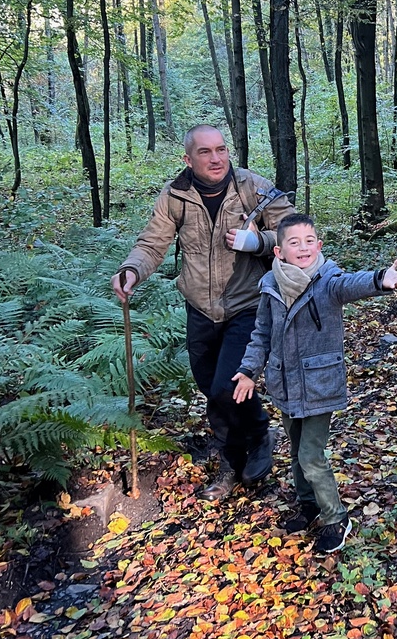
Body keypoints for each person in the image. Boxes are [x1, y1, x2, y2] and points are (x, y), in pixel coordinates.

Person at [112, 126, 296, 500]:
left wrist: (258, 241)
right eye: (206, 152)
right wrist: (132, 270)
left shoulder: (253, 188)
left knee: (227, 386)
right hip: (199, 307)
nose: (216, 159)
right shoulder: (176, 195)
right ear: (188, 159)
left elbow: (295, 234)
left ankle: (256, 438)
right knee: (211, 389)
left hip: (246, 304)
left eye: (221, 150)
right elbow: (152, 243)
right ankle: (235, 454)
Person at [232, 215, 397, 548]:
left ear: (319, 245)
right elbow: (262, 334)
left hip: (318, 384)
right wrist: (248, 370)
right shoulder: (271, 285)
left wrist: (381, 279)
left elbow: (349, 284)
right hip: (285, 384)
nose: (303, 248)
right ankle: (309, 505)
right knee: (297, 450)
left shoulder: (327, 281)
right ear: (279, 251)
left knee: (310, 454)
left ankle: (335, 517)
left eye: (309, 240)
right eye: (294, 242)